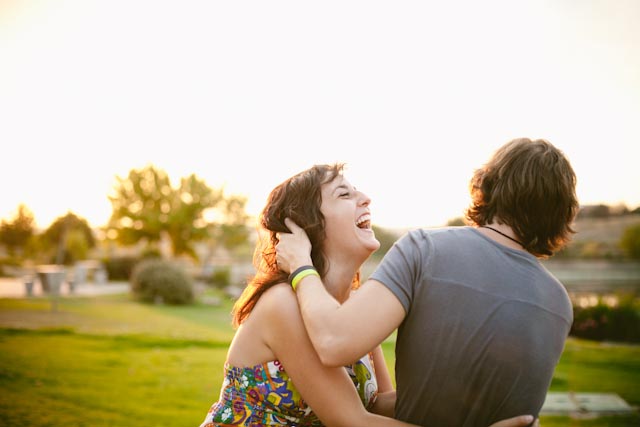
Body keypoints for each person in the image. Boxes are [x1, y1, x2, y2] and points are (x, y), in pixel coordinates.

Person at [198, 163, 540, 427]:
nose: (366, 198)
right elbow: (352, 421)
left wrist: (471, 404)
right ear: (301, 227)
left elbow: (376, 404)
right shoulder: (282, 304)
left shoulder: (353, 305)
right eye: (344, 194)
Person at [276, 138, 579, 427]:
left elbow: (334, 344)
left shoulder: (426, 248)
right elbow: (397, 406)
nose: (365, 197)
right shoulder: (559, 303)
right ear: (561, 214)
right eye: (345, 193)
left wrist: (300, 266)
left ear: (488, 185)